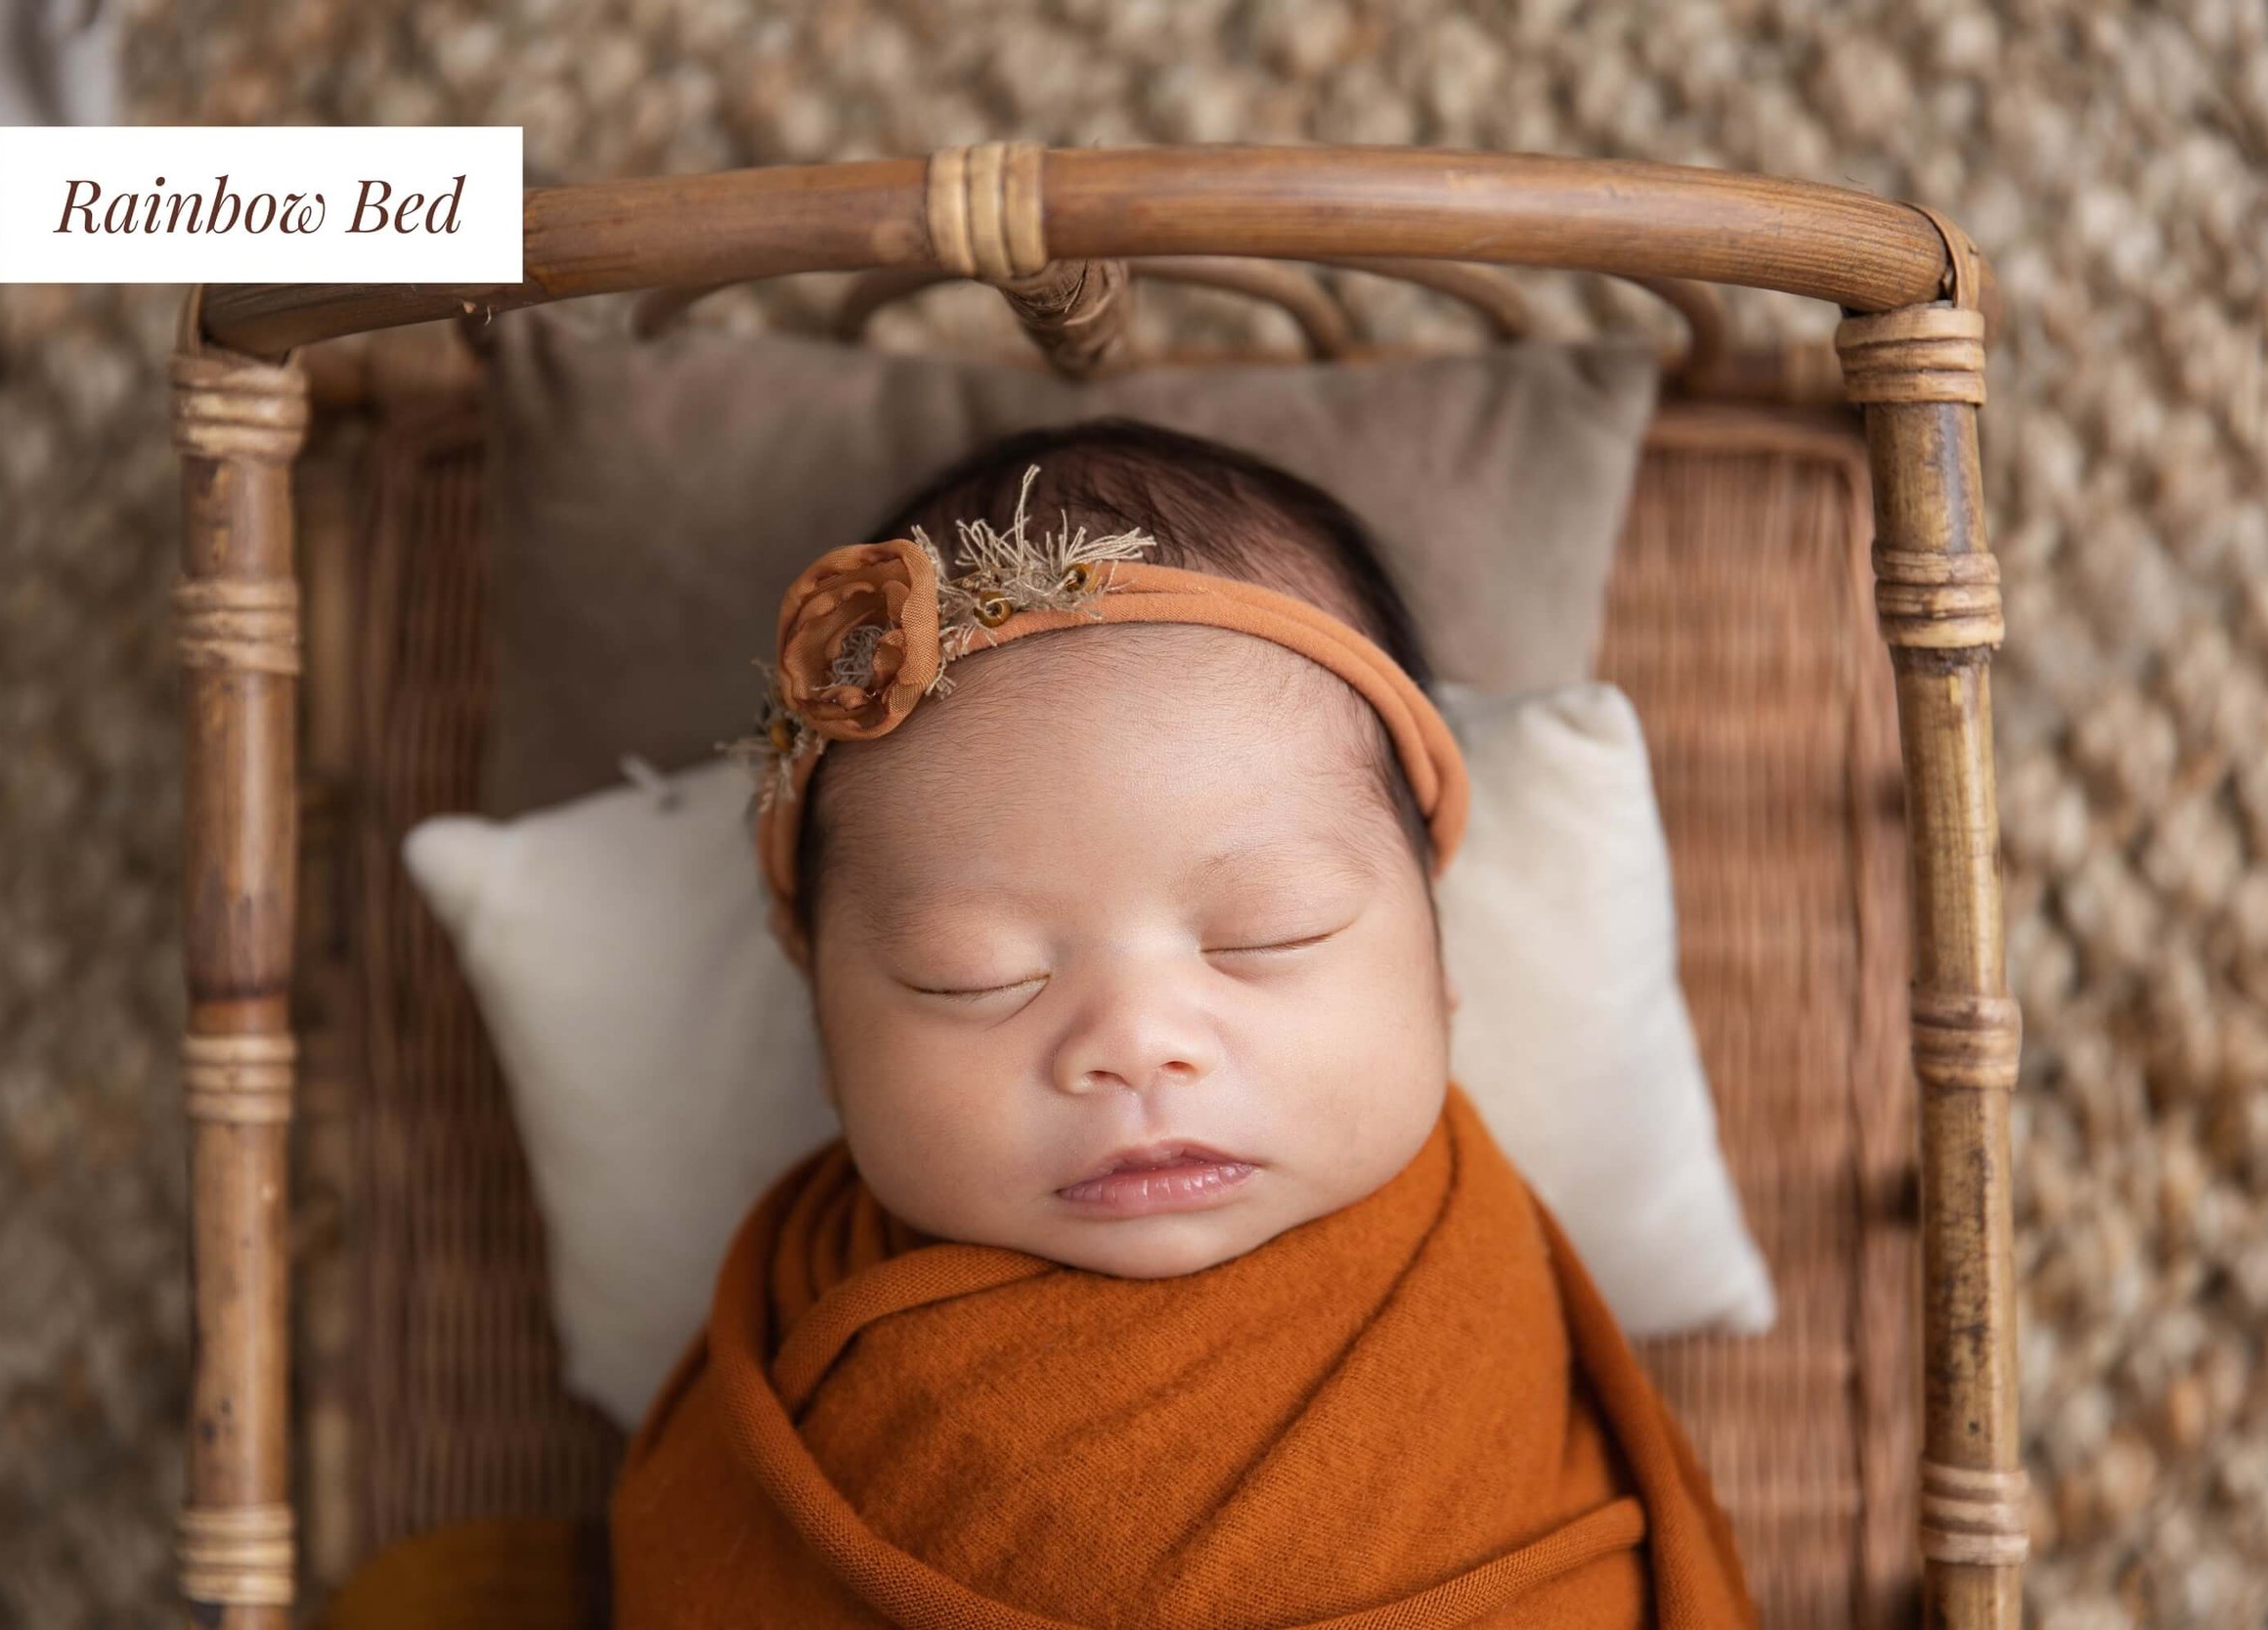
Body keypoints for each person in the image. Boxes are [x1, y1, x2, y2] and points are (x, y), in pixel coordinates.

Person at [612, 419, 1755, 1629]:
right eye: (973, 975)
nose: (1140, 1042)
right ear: (822, 1012)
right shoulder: (800, 1334)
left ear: (1437, 955)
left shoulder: (1469, 1290)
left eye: (1271, 931)